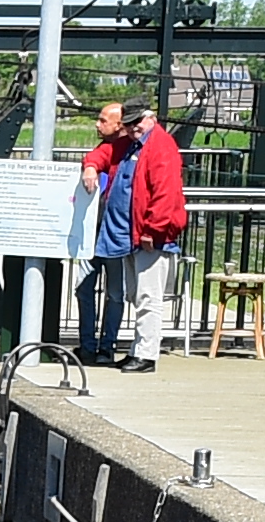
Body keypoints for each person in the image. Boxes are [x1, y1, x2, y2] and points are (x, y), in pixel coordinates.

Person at [123, 104, 191, 369]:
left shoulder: (160, 145)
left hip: (153, 235)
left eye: (137, 121)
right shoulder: (142, 145)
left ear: (151, 118)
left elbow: (165, 192)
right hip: (139, 233)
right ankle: (138, 348)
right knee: (140, 296)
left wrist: (153, 229)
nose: (132, 128)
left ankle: (147, 354)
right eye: (128, 124)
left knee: (149, 297)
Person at [75, 109, 137, 365]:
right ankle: (91, 346)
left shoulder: (125, 146)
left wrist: (91, 164)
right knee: (86, 289)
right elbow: (97, 156)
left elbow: (101, 156)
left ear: (119, 125)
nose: (97, 124)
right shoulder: (111, 146)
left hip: (115, 234)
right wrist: (90, 166)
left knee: (114, 293)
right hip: (95, 231)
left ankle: (104, 347)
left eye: (103, 120)